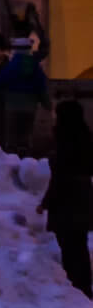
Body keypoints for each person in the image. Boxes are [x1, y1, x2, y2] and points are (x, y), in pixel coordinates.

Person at [44, 100, 93, 297]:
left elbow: (60, 176)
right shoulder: (85, 138)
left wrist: (46, 202)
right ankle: (83, 285)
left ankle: (76, 286)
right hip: (82, 195)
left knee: (69, 244)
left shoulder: (64, 140)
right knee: (78, 243)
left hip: (66, 199)